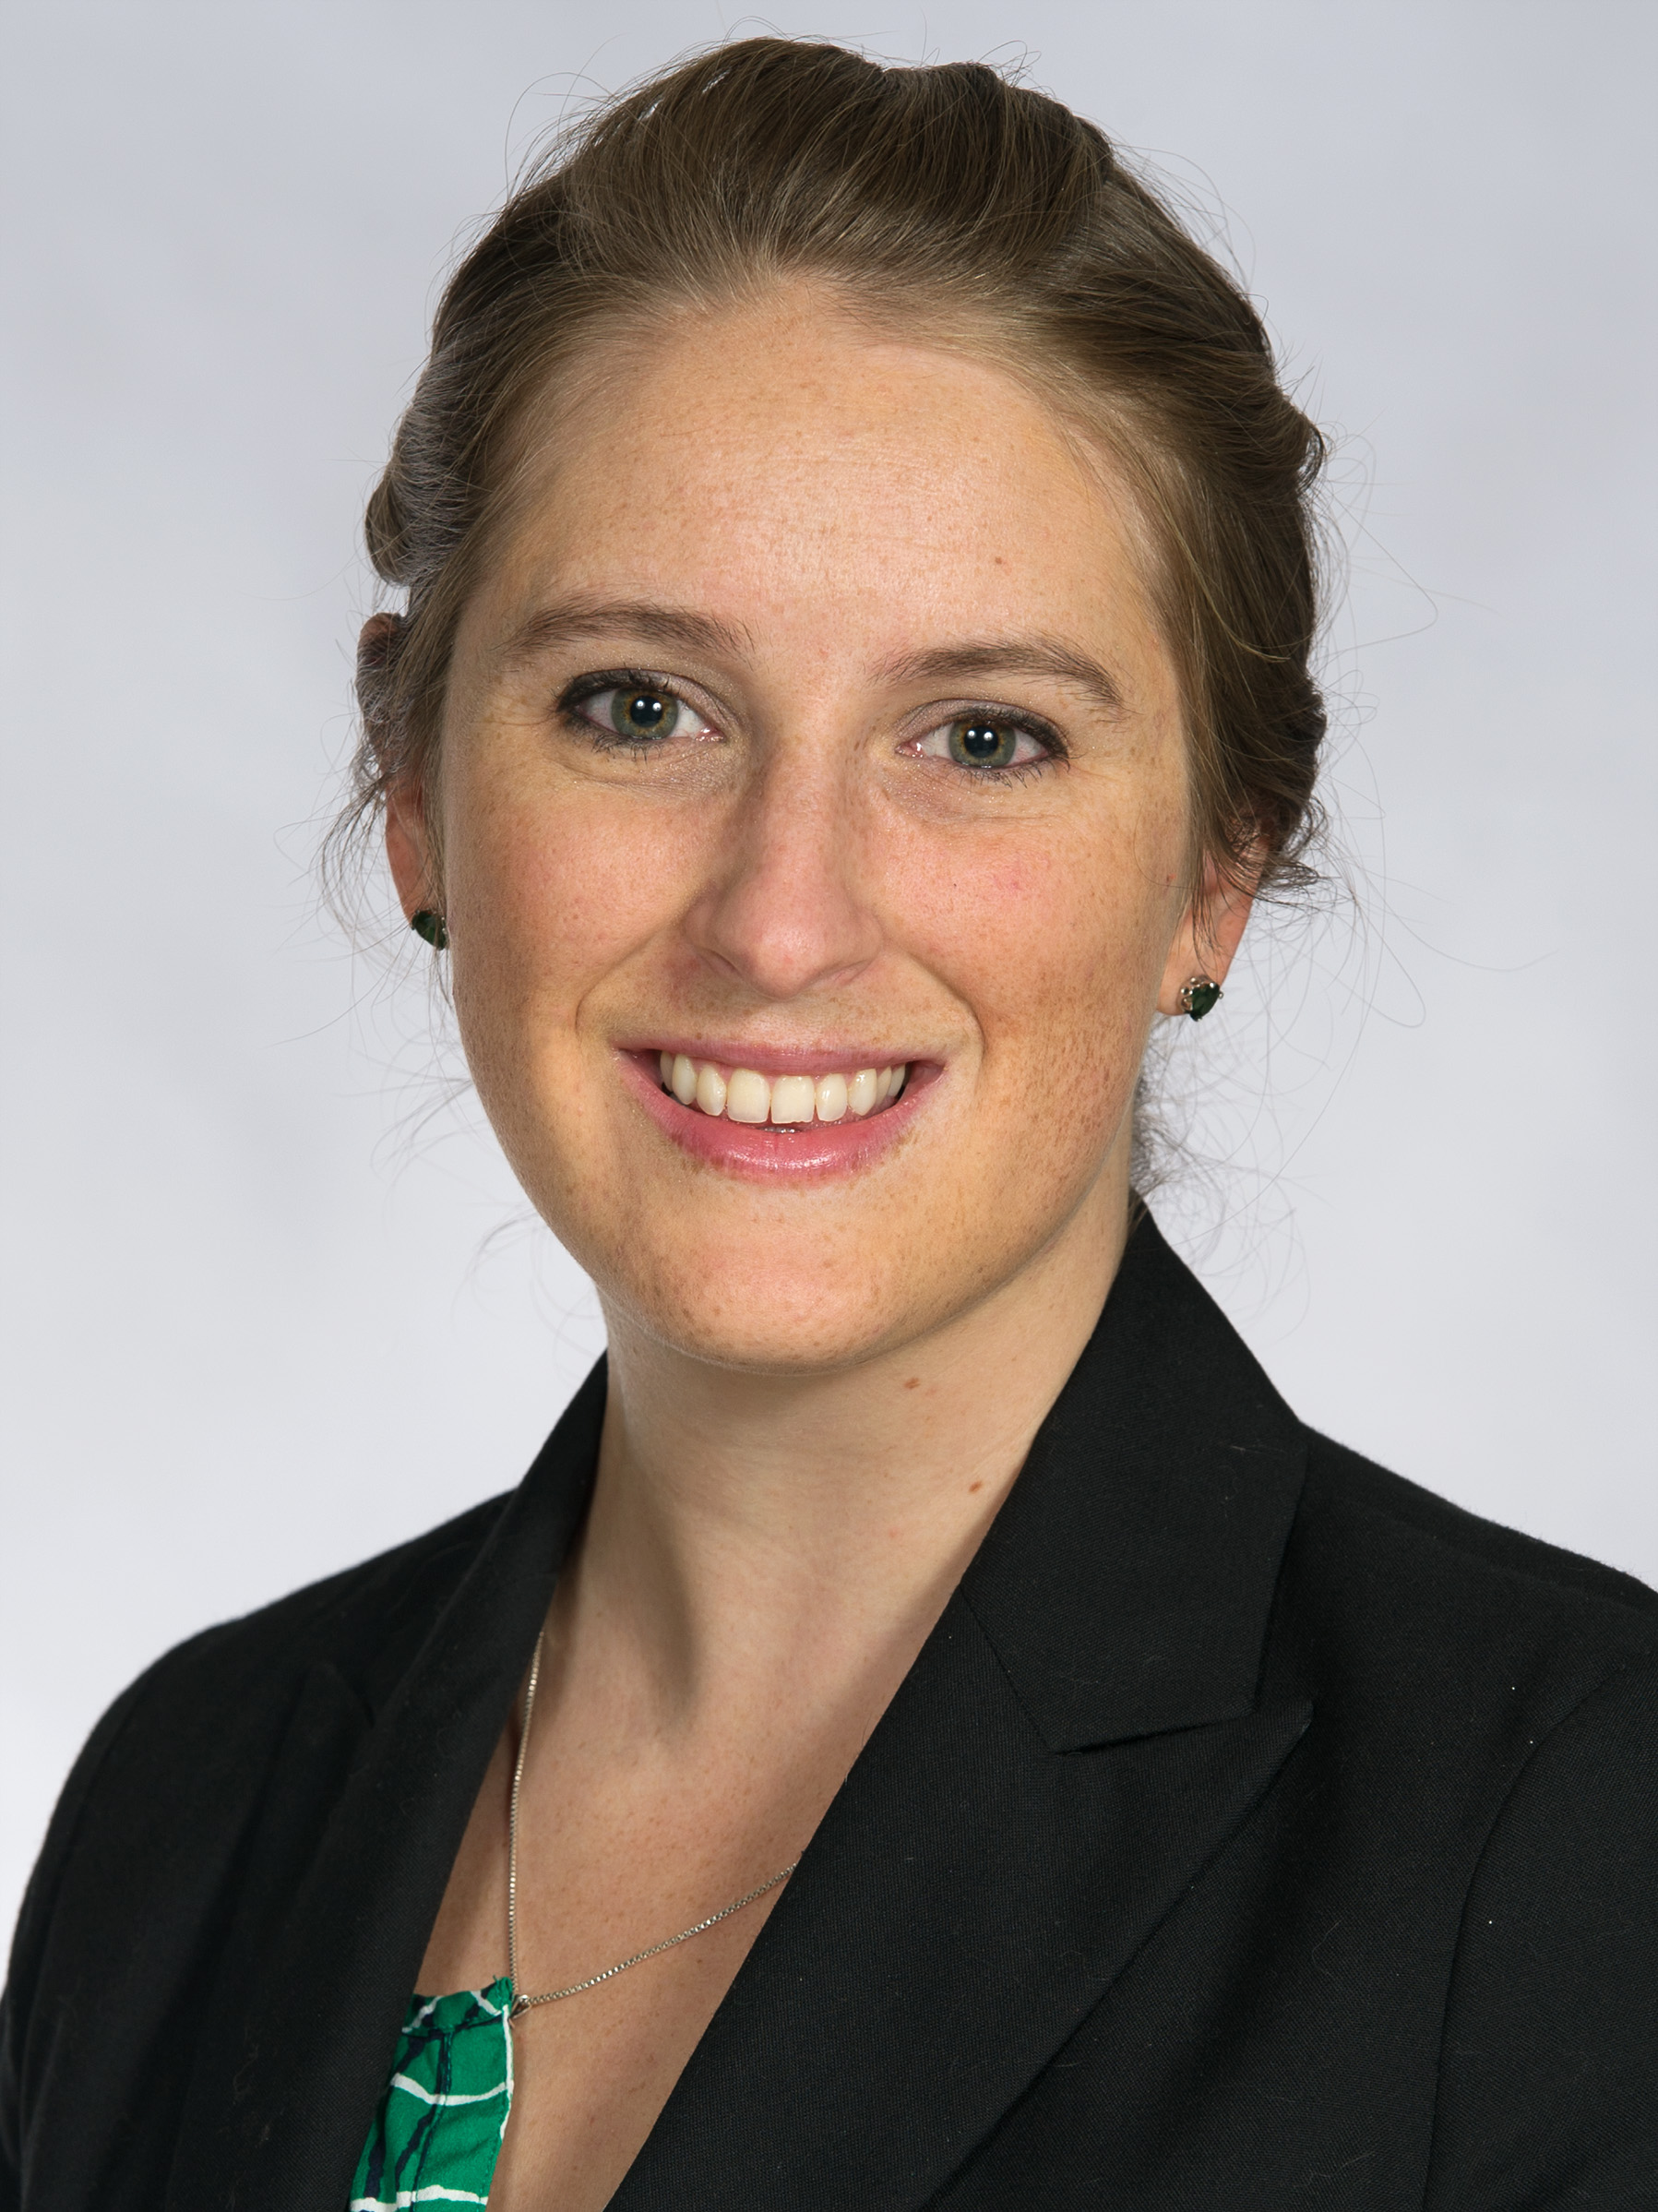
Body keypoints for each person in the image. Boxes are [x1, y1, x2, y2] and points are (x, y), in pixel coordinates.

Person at [5, 36, 1656, 2212]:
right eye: (637, 707)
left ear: (1216, 864)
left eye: (983, 734)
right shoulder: (193, 1796)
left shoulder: (1569, 1836)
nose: (781, 918)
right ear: (415, 792)